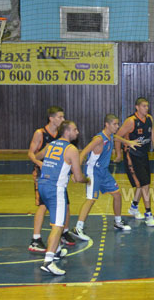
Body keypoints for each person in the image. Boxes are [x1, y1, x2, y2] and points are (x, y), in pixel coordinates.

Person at [71, 114, 139, 241]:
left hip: (104, 172)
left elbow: (117, 137)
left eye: (118, 124)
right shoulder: (98, 139)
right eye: (115, 124)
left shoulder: (111, 135)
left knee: (117, 194)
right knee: (91, 199)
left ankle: (118, 222)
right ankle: (78, 228)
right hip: (94, 172)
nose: (117, 126)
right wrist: (76, 172)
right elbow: (83, 153)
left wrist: (128, 142)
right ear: (107, 125)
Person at [34, 121, 88, 275]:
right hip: (55, 189)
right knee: (58, 225)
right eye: (75, 129)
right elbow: (78, 177)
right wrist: (87, 180)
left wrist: (46, 166)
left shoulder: (51, 145)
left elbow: (37, 156)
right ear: (67, 131)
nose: (77, 132)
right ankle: (48, 262)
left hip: (42, 185)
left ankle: (56, 250)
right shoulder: (71, 149)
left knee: (55, 220)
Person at [27, 106, 76, 253]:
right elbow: (30, 153)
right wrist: (39, 163)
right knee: (43, 206)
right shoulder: (40, 133)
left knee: (66, 204)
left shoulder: (61, 135)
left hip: (58, 176)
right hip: (43, 176)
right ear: (51, 118)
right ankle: (35, 239)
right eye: (60, 117)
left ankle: (63, 232)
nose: (62, 119)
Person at [115, 97, 154, 227]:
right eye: (143, 106)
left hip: (144, 155)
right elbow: (116, 136)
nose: (146, 108)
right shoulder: (131, 121)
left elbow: (153, 136)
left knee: (142, 184)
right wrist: (119, 153)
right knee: (145, 184)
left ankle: (134, 207)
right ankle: (149, 214)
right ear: (137, 107)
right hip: (132, 156)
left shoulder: (149, 119)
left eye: (147, 106)